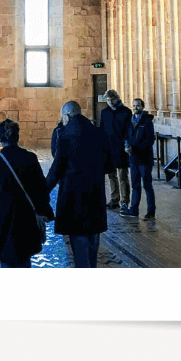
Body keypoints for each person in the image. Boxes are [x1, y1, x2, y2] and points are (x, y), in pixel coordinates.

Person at [0, 119, 52, 268]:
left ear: (0, 138)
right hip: (26, 220)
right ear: (17, 137)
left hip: (2, 221)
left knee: (6, 261)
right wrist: (44, 212)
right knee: (24, 259)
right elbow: (41, 190)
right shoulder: (30, 158)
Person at [45, 99, 108, 267]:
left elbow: (55, 171)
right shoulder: (97, 132)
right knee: (93, 245)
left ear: (67, 115)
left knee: (80, 250)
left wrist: (41, 193)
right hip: (96, 197)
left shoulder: (65, 135)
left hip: (75, 200)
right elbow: (108, 165)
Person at [125, 98, 157, 220]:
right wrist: (127, 146)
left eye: (138, 106)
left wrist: (135, 148)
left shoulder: (147, 122)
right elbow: (127, 136)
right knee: (135, 185)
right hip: (133, 159)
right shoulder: (130, 121)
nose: (135, 108)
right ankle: (133, 210)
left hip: (144, 159)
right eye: (134, 105)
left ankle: (151, 212)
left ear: (142, 107)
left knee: (147, 186)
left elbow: (149, 140)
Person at [100, 89, 131, 211]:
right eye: (107, 100)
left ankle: (124, 201)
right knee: (112, 176)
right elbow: (102, 130)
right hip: (108, 148)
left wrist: (127, 144)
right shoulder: (104, 113)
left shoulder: (126, 112)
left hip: (121, 148)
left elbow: (129, 130)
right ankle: (114, 199)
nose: (110, 102)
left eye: (112, 99)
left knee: (123, 176)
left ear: (117, 98)